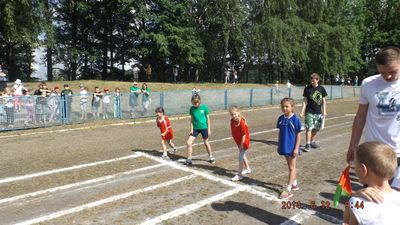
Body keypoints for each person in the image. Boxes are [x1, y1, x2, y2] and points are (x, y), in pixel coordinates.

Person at [346, 46, 400, 190]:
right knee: (372, 196)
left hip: (398, 151)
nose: (387, 76)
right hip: (373, 152)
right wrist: (353, 145)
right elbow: (360, 116)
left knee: (394, 198)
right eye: (383, 72)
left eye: (392, 72)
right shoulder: (368, 83)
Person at [343, 141, 400, 225]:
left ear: (363, 169)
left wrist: (354, 196)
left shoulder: (357, 202)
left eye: (355, 165)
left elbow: (346, 221)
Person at [277, 97, 302, 199]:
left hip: (292, 147)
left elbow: (298, 135)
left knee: (292, 168)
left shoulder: (295, 119)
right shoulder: (281, 119)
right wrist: (279, 144)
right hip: (284, 146)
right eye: (283, 106)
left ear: (292, 107)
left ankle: (288, 189)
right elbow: (280, 132)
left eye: (287, 106)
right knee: (290, 166)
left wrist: (296, 148)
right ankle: (294, 184)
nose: (285, 108)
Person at [300, 73, 328, 152]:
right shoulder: (307, 89)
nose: (312, 82)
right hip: (309, 111)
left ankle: (312, 142)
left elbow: (324, 101)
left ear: (317, 80)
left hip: (318, 112)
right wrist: (302, 111)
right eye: (311, 81)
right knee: (309, 128)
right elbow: (305, 101)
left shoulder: (321, 89)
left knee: (315, 129)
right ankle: (307, 144)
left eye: (313, 81)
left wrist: (324, 111)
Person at [185, 94, 215, 165]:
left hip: (204, 128)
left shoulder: (204, 107)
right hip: (195, 128)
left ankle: (211, 157)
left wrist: (209, 129)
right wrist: (191, 129)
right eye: (193, 103)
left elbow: (208, 118)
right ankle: (189, 159)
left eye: (196, 103)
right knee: (189, 143)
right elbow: (192, 120)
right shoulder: (192, 109)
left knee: (206, 142)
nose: (194, 104)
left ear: (199, 101)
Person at [229, 106, 252, 181]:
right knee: (242, 154)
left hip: (244, 141)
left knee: (241, 156)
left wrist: (242, 144)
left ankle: (239, 175)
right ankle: (248, 169)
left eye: (235, 114)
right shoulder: (232, 121)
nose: (234, 116)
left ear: (238, 113)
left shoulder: (242, 122)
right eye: (232, 114)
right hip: (238, 141)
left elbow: (244, 134)